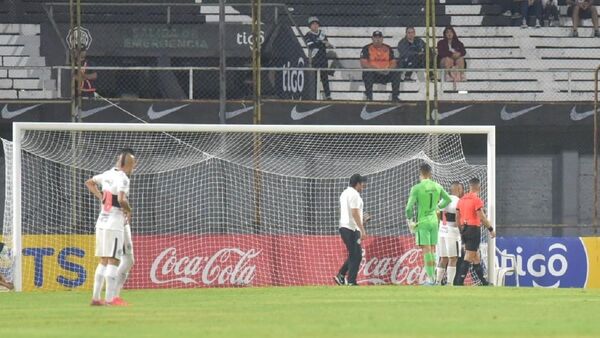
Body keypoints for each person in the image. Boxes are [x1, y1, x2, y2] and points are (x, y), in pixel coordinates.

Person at [85, 148, 136, 306]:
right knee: (114, 261)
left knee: (103, 260)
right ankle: (110, 299)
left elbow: (89, 182)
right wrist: (129, 210)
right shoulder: (123, 179)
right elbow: (121, 199)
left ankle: (95, 298)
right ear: (131, 164)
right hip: (114, 223)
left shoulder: (106, 174)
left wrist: (101, 198)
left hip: (101, 221)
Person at [405, 163, 451, 285]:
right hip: (434, 221)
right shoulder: (437, 186)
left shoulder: (417, 188)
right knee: (433, 249)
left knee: (426, 250)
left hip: (423, 222)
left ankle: (431, 279)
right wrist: (438, 206)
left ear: (420, 174)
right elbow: (448, 199)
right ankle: (435, 278)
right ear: (430, 174)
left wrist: (410, 220)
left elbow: (408, 208)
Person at [455, 177, 496, 286]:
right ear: (479, 187)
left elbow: (457, 217)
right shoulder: (476, 200)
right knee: (468, 256)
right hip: (473, 230)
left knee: (476, 256)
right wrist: (491, 229)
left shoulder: (461, 200)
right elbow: (482, 217)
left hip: (464, 229)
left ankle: (484, 282)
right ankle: (459, 282)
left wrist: (461, 231)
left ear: (469, 186)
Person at [335, 174, 370, 286]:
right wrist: (362, 229)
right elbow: (354, 212)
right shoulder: (355, 195)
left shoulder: (344, 193)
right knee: (356, 255)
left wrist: (361, 220)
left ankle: (341, 275)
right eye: (362, 183)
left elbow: (345, 211)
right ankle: (351, 281)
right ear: (358, 183)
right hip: (351, 228)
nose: (363, 186)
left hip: (344, 226)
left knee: (355, 254)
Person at [436, 182, 464, 286]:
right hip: (452, 232)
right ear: (458, 190)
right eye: (461, 189)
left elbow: (438, 214)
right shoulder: (458, 201)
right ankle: (449, 283)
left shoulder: (443, 199)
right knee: (453, 258)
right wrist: (461, 230)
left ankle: (437, 282)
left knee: (443, 258)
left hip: (441, 231)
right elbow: (458, 218)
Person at [360, 31, 400, 102]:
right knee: (367, 72)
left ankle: (395, 97)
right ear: (372, 39)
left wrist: (388, 70)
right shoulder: (366, 48)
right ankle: (369, 97)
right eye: (375, 38)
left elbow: (393, 62)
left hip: (386, 73)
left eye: (379, 38)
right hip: (373, 74)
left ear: (382, 39)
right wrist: (377, 70)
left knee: (396, 72)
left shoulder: (388, 48)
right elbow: (364, 63)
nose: (377, 40)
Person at [304, 16, 333, 100]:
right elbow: (310, 45)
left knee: (325, 78)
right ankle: (314, 96)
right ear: (310, 26)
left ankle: (328, 95)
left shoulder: (322, 33)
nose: (315, 26)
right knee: (314, 79)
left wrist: (321, 43)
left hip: (323, 59)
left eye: (316, 24)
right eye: (313, 24)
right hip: (314, 59)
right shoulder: (308, 35)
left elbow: (326, 43)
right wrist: (322, 42)